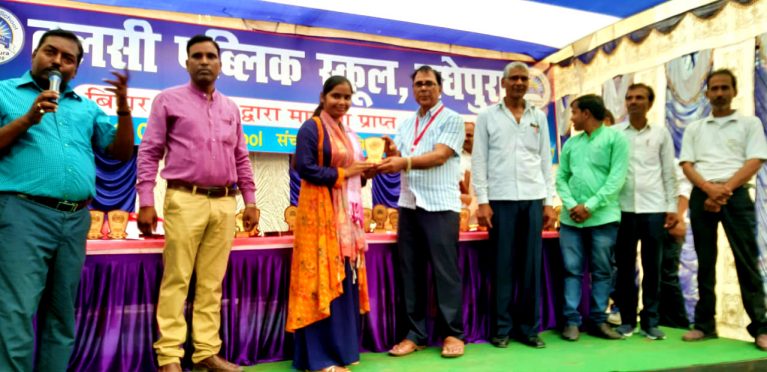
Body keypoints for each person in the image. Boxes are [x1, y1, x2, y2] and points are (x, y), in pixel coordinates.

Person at [0, 29, 133, 371]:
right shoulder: (5, 93)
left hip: (74, 220)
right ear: (34, 55)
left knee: (61, 314)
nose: (57, 61)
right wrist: (29, 118)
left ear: (75, 69)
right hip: (22, 214)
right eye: (50, 52)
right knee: (15, 313)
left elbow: (119, 152)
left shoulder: (86, 108)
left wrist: (122, 109)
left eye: (68, 58)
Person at [136, 35, 257, 372]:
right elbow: (149, 152)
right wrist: (146, 198)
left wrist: (249, 200)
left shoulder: (230, 108)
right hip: (183, 198)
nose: (204, 61)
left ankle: (205, 352)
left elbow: (241, 156)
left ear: (220, 64)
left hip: (223, 203)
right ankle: (169, 356)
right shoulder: (167, 100)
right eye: (197, 56)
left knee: (211, 282)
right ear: (187, 62)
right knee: (177, 278)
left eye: (211, 56)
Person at [286, 75, 373, 372]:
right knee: (319, 278)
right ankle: (319, 359)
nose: (342, 102)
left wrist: (366, 171)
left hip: (344, 218)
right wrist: (346, 173)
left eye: (348, 97)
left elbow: (351, 174)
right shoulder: (312, 128)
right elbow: (305, 168)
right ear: (323, 97)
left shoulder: (348, 133)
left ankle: (341, 352)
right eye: (337, 96)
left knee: (341, 275)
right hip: (318, 212)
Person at [378, 65, 466, 358]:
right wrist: (392, 154)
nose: (424, 89)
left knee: (445, 272)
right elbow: (400, 158)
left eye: (429, 83)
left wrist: (403, 163)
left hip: (440, 204)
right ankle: (414, 334)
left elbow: (441, 156)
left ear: (440, 88)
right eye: (418, 84)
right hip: (409, 204)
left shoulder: (452, 119)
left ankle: (452, 334)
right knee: (410, 272)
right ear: (412, 89)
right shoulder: (405, 124)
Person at [679, 69, 767, 349]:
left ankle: (761, 329)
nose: (718, 93)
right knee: (705, 262)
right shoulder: (695, 128)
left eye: (724, 88)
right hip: (702, 195)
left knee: (747, 262)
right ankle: (705, 325)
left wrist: (723, 190)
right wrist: (709, 189)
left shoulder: (749, 123)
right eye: (714, 89)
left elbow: (755, 160)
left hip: (736, 196)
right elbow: (687, 165)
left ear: (734, 91)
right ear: (706, 94)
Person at [472, 62, 556, 348]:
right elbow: (479, 159)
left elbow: (546, 159)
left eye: (524, 79)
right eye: (515, 78)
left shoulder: (539, 117)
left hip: (533, 198)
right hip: (501, 200)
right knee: (503, 266)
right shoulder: (487, 116)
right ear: (504, 83)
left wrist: (548, 202)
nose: (520, 83)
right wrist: (482, 201)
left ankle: (529, 329)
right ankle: (502, 329)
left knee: (531, 266)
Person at [556, 94, 629, 341]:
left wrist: (589, 206)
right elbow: (561, 178)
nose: (572, 118)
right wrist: (571, 205)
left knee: (602, 271)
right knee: (571, 270)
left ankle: (598, 320)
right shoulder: (571, 144)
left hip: (603, 218)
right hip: (570, 220)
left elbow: (616, 179)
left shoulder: (615, 138)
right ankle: (571, 322)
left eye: (574, 113)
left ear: (586, 113)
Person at [613, 83, 678, 340]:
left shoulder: (661, 134)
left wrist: (671, 207)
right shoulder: (616, 134)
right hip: (622, 210)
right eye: (629, 98)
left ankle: (651, 321)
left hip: (654, 208)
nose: (633, 102)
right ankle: (627, 320)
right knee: (625, 268)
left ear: (649, 103)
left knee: (653, 267)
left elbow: (669, 173)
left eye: (639, 98)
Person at [658, 164, 692, 329]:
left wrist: (678, 217)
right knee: (655, 273)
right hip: (652, 221)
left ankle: (678, 322)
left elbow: (684, 189)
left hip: (672, 224)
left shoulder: (671, 161)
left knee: (668, 273)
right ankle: (659, 318)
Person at [459, 121, 478, 227]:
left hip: (482, 214)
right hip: (461, 214)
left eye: (469, 135)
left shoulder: (487, 159)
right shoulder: (454, 159)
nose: (465, 138)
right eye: (463, 135)